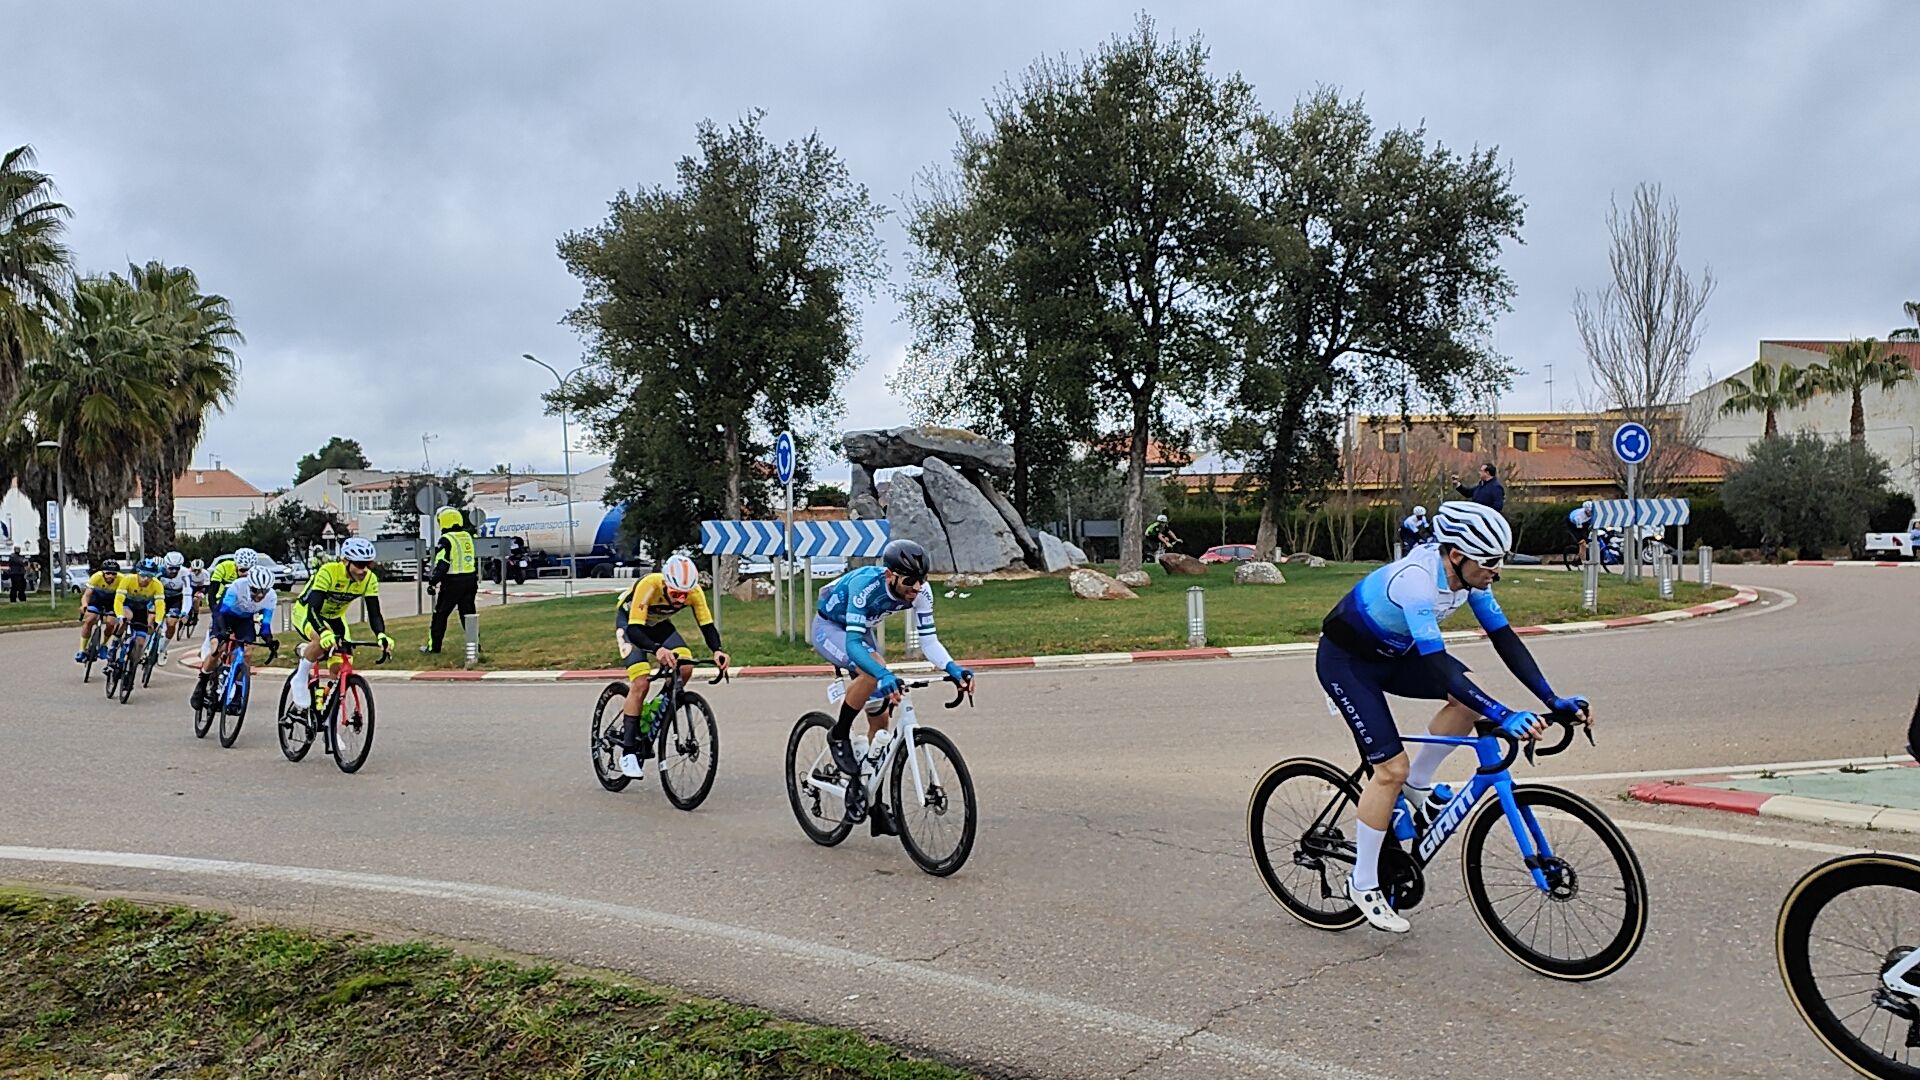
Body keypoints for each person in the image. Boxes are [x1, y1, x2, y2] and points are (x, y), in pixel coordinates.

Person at [1317, 501, 1588, 934]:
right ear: (1457, 556)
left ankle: (1418, 788)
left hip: (1394, 656)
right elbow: (1439, 663)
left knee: (1469, 696)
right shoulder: (1417, 581)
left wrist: (1551, 698)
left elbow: (1505, 640)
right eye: (1491, 563)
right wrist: (1502, 712)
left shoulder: (1471, 580)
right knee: (1389, 770)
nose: (1497, 571)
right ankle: (1362, 882)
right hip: (1347, 663)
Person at [811, 538, 975, 832]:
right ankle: (839, 734)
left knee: (881, 724)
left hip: (860, 631)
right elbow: (852, 644)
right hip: (830, 628)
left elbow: (929, 641)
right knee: (874, 670)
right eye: (910, 580)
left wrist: (953, 667)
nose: (917, 587)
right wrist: (882, 674)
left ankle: (869, 799)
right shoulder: (866, 585)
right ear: (890, 575)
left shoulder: (921, 592)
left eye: (922, 580)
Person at [610, 553, 729, 780]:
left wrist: (718, 650)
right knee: (641, 681)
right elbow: (635, 629)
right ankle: (628, 753)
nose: (679, 600)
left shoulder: (694, 592)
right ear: (665, 584)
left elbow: (707, 626)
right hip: (631, 624)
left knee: (685, 667)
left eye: (684, 595)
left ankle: (656, 708)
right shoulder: (650, 585)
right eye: (675, 594)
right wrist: (657, 650)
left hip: (659, 625)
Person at [286, 537, 393, 722]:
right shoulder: (328, 571)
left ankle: (328, 719)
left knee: (342, 664)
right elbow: (313, 609)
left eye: (368, 564)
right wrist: (324, 632)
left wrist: (381, 635)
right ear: (345, 561)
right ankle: (300, 677)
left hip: (335, 618)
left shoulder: (369, 579)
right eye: (359, 565)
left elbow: (374, 613)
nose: (364, 570)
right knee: (320, 642)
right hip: (307, 612)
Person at [190, 565, 280, 711]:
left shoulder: (272, 597)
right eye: (255, 590)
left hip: (244, 620)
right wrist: (223, 632)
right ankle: (202, 682)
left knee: (247, 654)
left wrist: (269, 641)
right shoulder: (237, 587)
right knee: (217, 649)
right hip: (225, 616)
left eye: (264, 591)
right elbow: (222, 613)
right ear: (249, 585)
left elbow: (265, 625)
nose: (259, 595)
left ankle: (237, 695)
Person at [422, 506, 480, 654]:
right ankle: (475, 645)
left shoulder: (446, 539)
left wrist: (432, 582)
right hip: (470, 580)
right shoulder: (467, 536)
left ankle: (434, 648)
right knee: (468, 615)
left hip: (452, 582)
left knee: (440, 614)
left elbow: (443, 563)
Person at [110, 558, 167, 669]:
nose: (146, 579)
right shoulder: (128, 579)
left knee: (140, 643)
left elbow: (160, 605)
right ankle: (115, 643)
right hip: (127, 606)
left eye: (150, 576)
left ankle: (131, 668)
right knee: (127, 617)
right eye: (143, 575)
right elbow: (118, 600)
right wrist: (120, 616)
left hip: (141, 610)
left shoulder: (157, 585)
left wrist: (158, 622)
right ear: (137, 573)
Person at [75, 559, 125, 662]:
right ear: (103, 573)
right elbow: (87, 594)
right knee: (90, 619)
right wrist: (84, 605)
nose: (110, 576)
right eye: (108, 573)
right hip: (96, 600)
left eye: (113, 574)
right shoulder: (96, 577)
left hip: (112, 601)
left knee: (111, 623)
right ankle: (82, 650)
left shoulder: (122, 579)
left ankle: (104, 645)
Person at [156, 551, 194, 661]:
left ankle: (163, 648)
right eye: (171, 568)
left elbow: (187, 594)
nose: (174, 571)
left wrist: (185, 612)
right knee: (151, 620)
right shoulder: (159, 570)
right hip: (160, 597)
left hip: (175, 599)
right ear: (166, 565)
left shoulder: (185, 573)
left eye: (177, 568)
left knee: (171, 624)